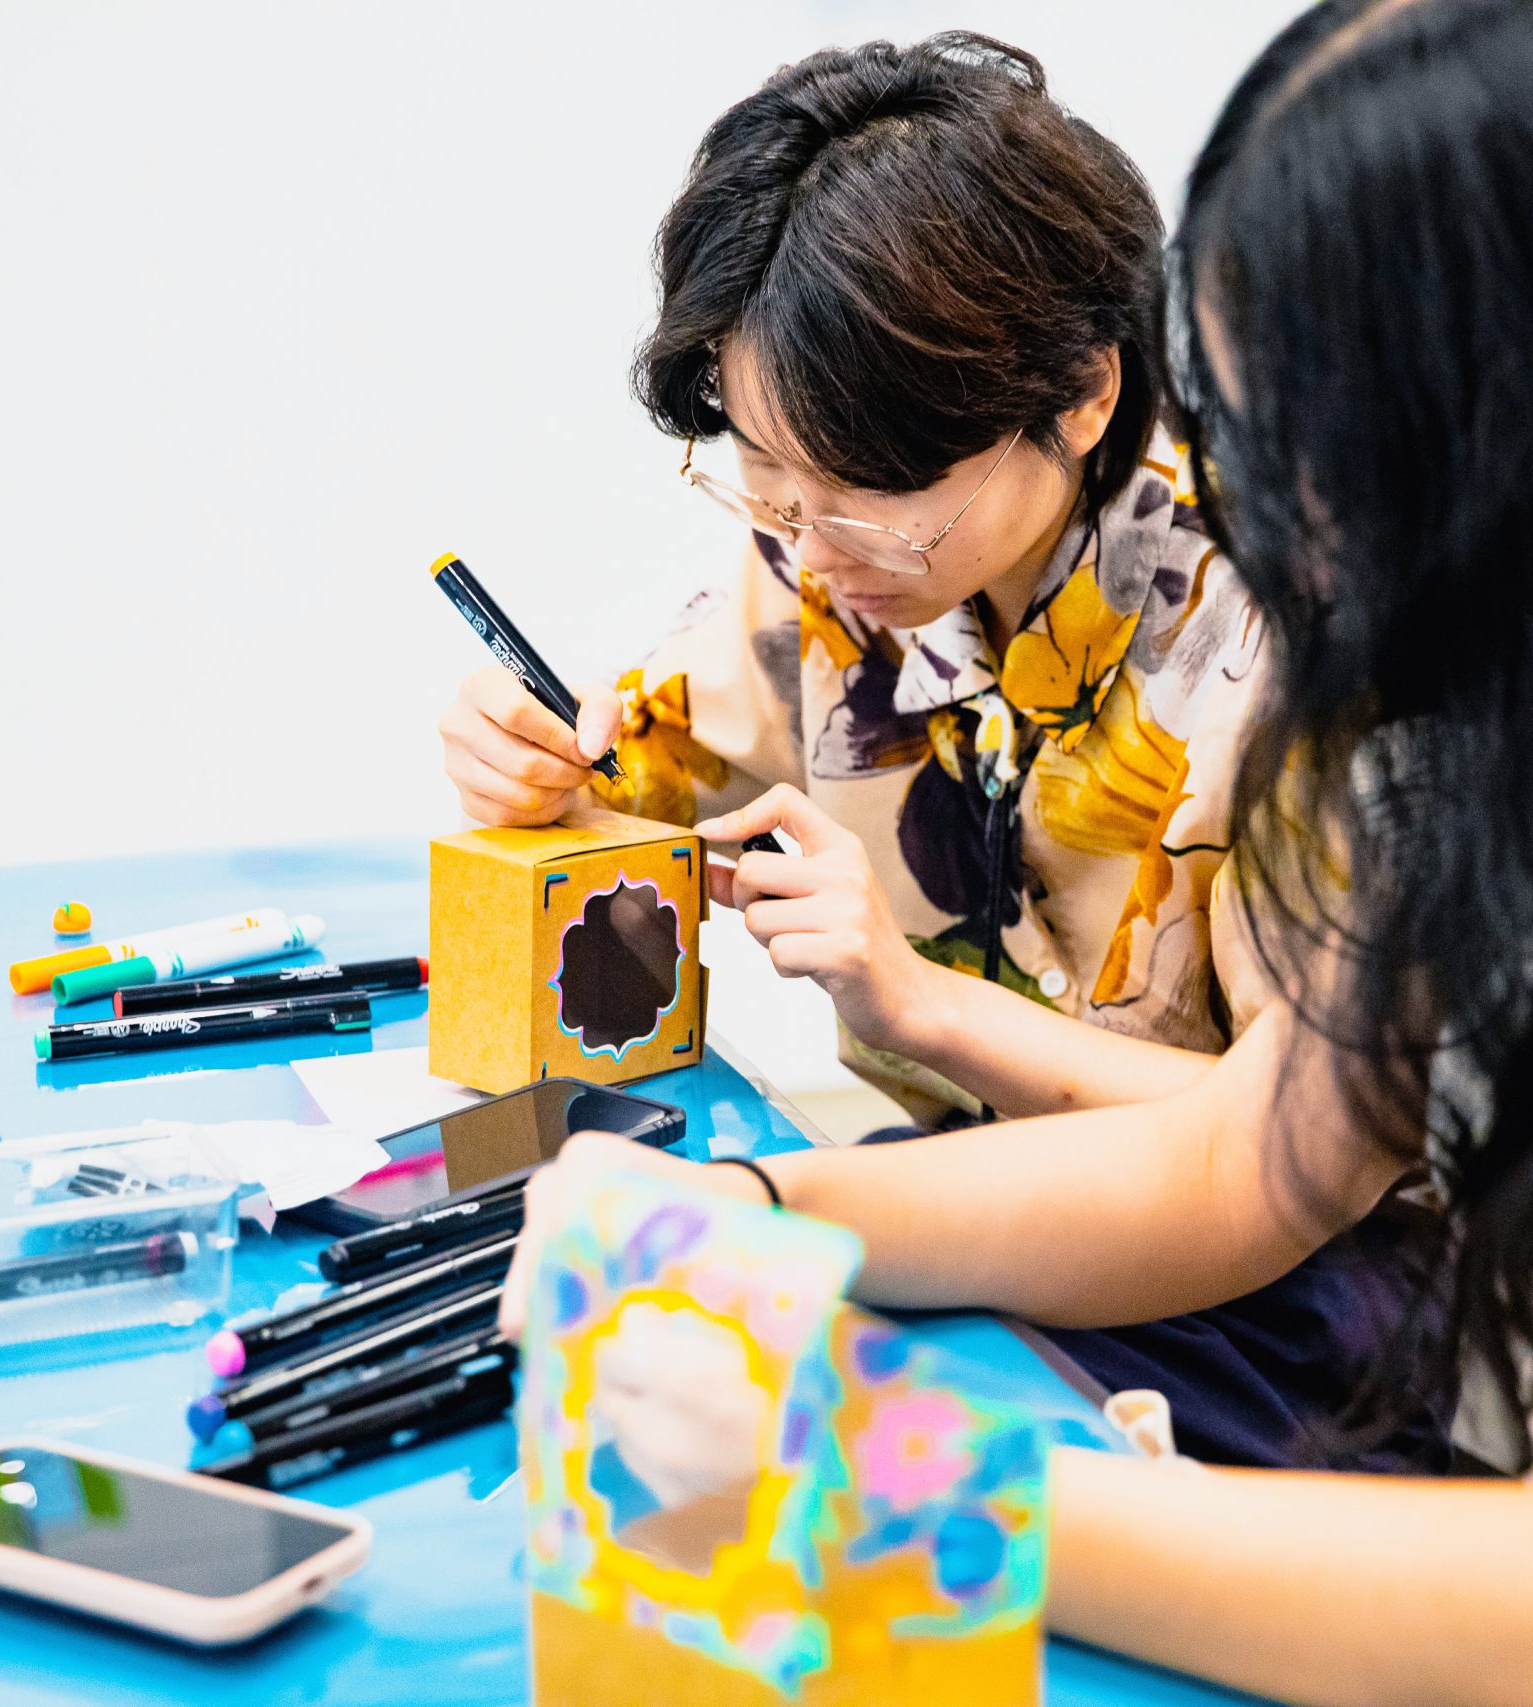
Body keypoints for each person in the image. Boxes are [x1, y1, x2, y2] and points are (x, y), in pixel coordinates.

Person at [503, 1, 1533, 1701]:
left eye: (1337, 468)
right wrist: (745, 1205)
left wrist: (867, 1481)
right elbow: (1251, 1165)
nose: (1299, 547)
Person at [440, 32, 1453, 1473]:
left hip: (1294, 1308)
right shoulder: (824, 572)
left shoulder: (1292, 636)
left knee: (780, 1452)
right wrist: (530, 762)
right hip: (977, 1212)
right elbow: (633, 777)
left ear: (1085, 395)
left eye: (865, 498)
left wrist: (917, 1003)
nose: (812, 549)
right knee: (616, 1385)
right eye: (763, 479)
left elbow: (1292, 1153)